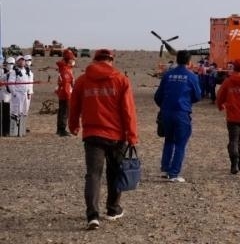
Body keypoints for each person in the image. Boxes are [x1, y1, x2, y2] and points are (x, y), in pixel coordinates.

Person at [68, 49, 138, 230]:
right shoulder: (121, 80)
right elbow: (128, 111)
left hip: (92, 135)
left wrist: (73, 125)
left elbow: (74, 105)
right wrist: (132, 135)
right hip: (116, 136)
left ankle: (92, 215)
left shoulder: (82, 80)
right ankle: (113, 209)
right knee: (115, 172)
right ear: (111, 60)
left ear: (95, 60)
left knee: (93, 175)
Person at [154, 50, 202, 182]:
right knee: (180, 143)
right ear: (189, 62)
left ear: (176, 60)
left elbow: (158, 96)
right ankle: (174, 173)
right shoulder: (192, 76)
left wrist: (164, 106)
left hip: (166, 112)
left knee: (169, 139)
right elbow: (198, 96)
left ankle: (165, 169)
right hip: (182, 112)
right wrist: (186, 102)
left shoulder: (167, 75)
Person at [7, 55, 33, 137]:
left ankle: (22, 130)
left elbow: (29, 83)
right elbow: (10, 83)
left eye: (23, 60)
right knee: (15, 111)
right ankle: (14, 131)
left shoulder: (26, 71)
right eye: (20, 60)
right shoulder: (14, 72)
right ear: (17, 62)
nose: (22, 62)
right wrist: (14, 93)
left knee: (24, 112)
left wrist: (29, 92)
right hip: (17, 95)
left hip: (25, 94)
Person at [56, 49, 76, 136]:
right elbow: (66, 84)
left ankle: (59, 129)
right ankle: (62, 129)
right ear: (69, 60)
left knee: (62, 111)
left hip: (64, 93)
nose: (74, 61)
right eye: (72, 59)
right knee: (65, 112)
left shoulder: (66, 69)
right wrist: (68, 96)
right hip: (65, 94)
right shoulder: (65, 70)